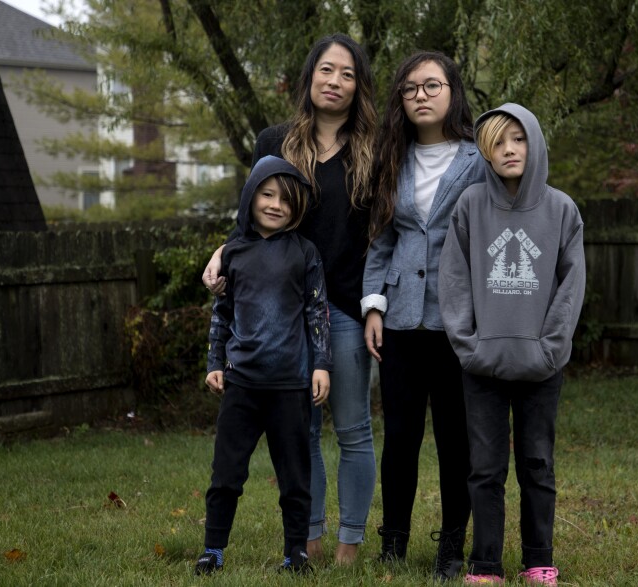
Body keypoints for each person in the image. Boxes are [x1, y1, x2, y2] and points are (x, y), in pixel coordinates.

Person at [202, 33, 378, 564]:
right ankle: (309, 538)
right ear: (310, 77)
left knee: (351, 429)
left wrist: (375, 304)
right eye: (327, 70)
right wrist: (221, 251)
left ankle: (350, 544)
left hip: (343, 308)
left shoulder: (374, 149)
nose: (335, 81)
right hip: (281, 312)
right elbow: (250, 217)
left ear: (358, 86)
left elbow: (384, 233)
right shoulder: (274, 141)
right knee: (301, 435)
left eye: (348, 74)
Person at [438, 103, 586, 585]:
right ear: (485, 151)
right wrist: (468, 346)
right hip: (482, 365)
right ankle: (485, 564)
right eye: (497, 143)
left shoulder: (561, 209)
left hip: (541, 366)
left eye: (518, 139)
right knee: (484, 468)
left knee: (537, 464)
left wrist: (550, 350)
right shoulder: (471, 206)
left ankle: (538, 559)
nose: (509, 150)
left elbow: (571, 286)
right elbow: (454, 279)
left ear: (535, 143)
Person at [361, 51, 484, 581]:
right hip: (401, 322)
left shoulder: (479, 159)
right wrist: (373, 305)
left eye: (431, 85)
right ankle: (393, 542)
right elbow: (382, 238)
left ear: (452, 91)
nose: (421, 96)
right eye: (410, 89)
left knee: (457, 439)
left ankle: (452, 547)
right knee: (401, 438)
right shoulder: (395, 156)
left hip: (459, 323)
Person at [194, 155, 332, 576]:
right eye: (266, 195)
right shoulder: (233, 253)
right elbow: (223, 313)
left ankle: (296, 555)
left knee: (295, 478)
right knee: (226, 475)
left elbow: (317, 311)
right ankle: (213, 550)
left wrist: (321, 364)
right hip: (242, 384)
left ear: (297, 208)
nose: (275, 205)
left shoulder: (304, 253)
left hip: (290, 385)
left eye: (285, 200)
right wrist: (215, 360)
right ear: (250, 197)